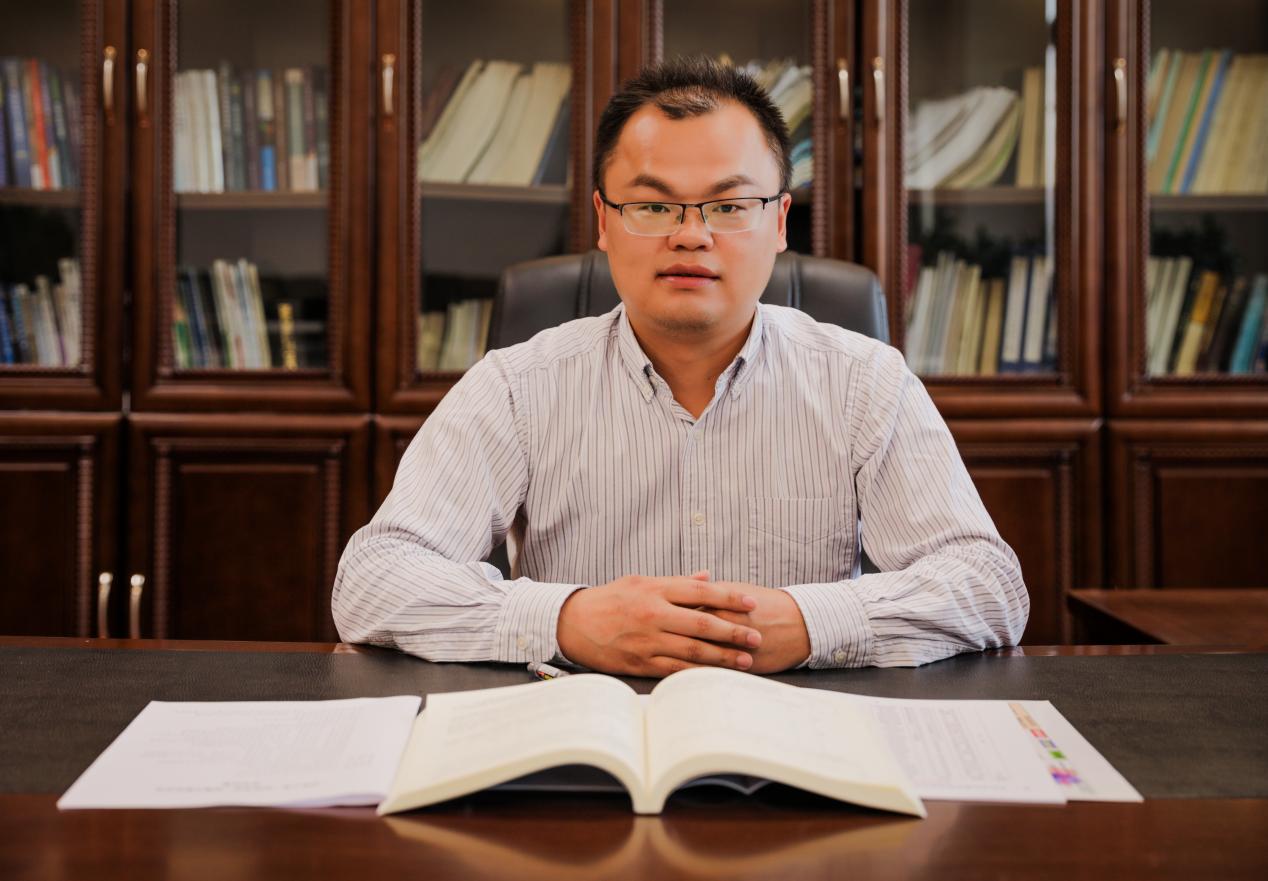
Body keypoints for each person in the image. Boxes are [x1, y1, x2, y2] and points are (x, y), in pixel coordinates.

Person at [333, 57, 1028, 677]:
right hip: (584, 734)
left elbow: (988, 583)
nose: (691, 234)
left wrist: (810, 622)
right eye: (653, 205)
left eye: (729, 205)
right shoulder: (515, 386)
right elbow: (374, 578)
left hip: (796, 737)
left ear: (780, 221)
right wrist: (568, 620)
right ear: (604, 220)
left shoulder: (865, 383)